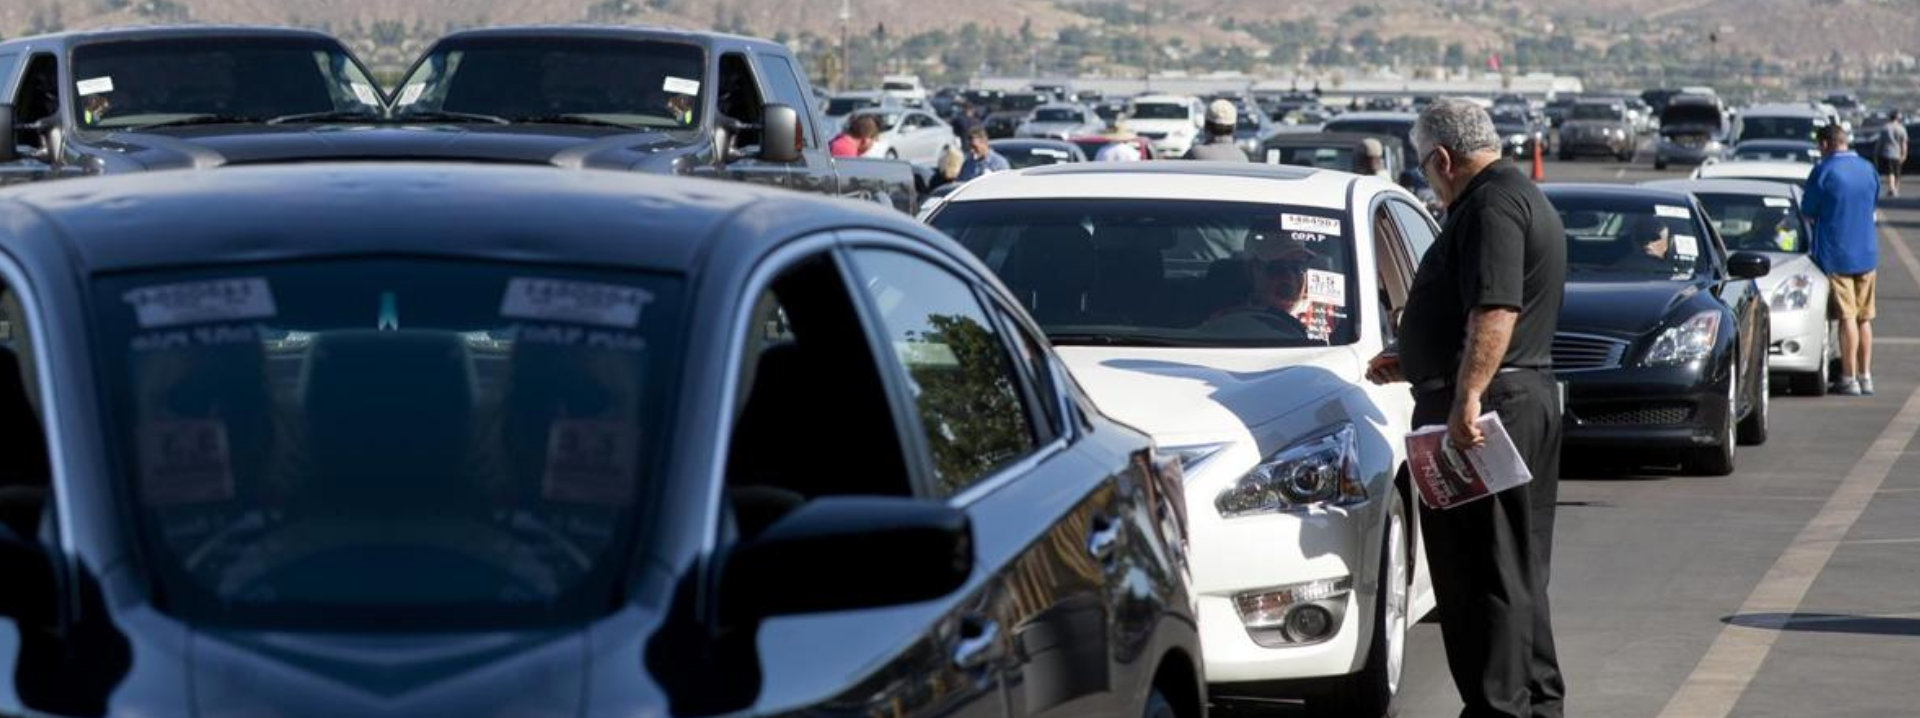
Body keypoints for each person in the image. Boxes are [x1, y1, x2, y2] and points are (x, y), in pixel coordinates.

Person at [1365, 98, 1567, 718]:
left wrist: (1466, 395)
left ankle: (1498, 708)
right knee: (1514, 571)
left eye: (1426, 169)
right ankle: (1530, 704)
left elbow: (1496, 308)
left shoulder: (1489, 205)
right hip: (1505, 394)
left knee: (1483, 575)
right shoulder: (1512, 195)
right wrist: (1420, 361)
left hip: (1489, 410)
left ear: (1443, 158)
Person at [1804, 122, 1882, 396]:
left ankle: (1848, 376)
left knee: (1847, 317)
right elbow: (1873, 203)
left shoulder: (1824, 171)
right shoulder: (1867, 169)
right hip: (1867, 252)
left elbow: (1808, 210)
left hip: (1837, 253)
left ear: (1825, 144)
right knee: (1864, 318)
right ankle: (1866, 375)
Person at [1200, 234, 1314, 339]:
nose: (1290, 277)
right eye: (1278, 267)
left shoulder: (1323, 316)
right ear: (1251, 270)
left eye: (1298, 267)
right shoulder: (1226, 320)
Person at [1878, 110, 1907, 198]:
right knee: (1897, 172)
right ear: (1897, 118)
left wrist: (1877, 151)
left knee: (1890, 172)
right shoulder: (1901, 128)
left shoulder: (1885, 128)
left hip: (1887, 152)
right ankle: (1896, 189)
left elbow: (1880, 142)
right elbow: (1904, 143)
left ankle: (1892, 188)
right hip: (1897, 153)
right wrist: (1904, 154)